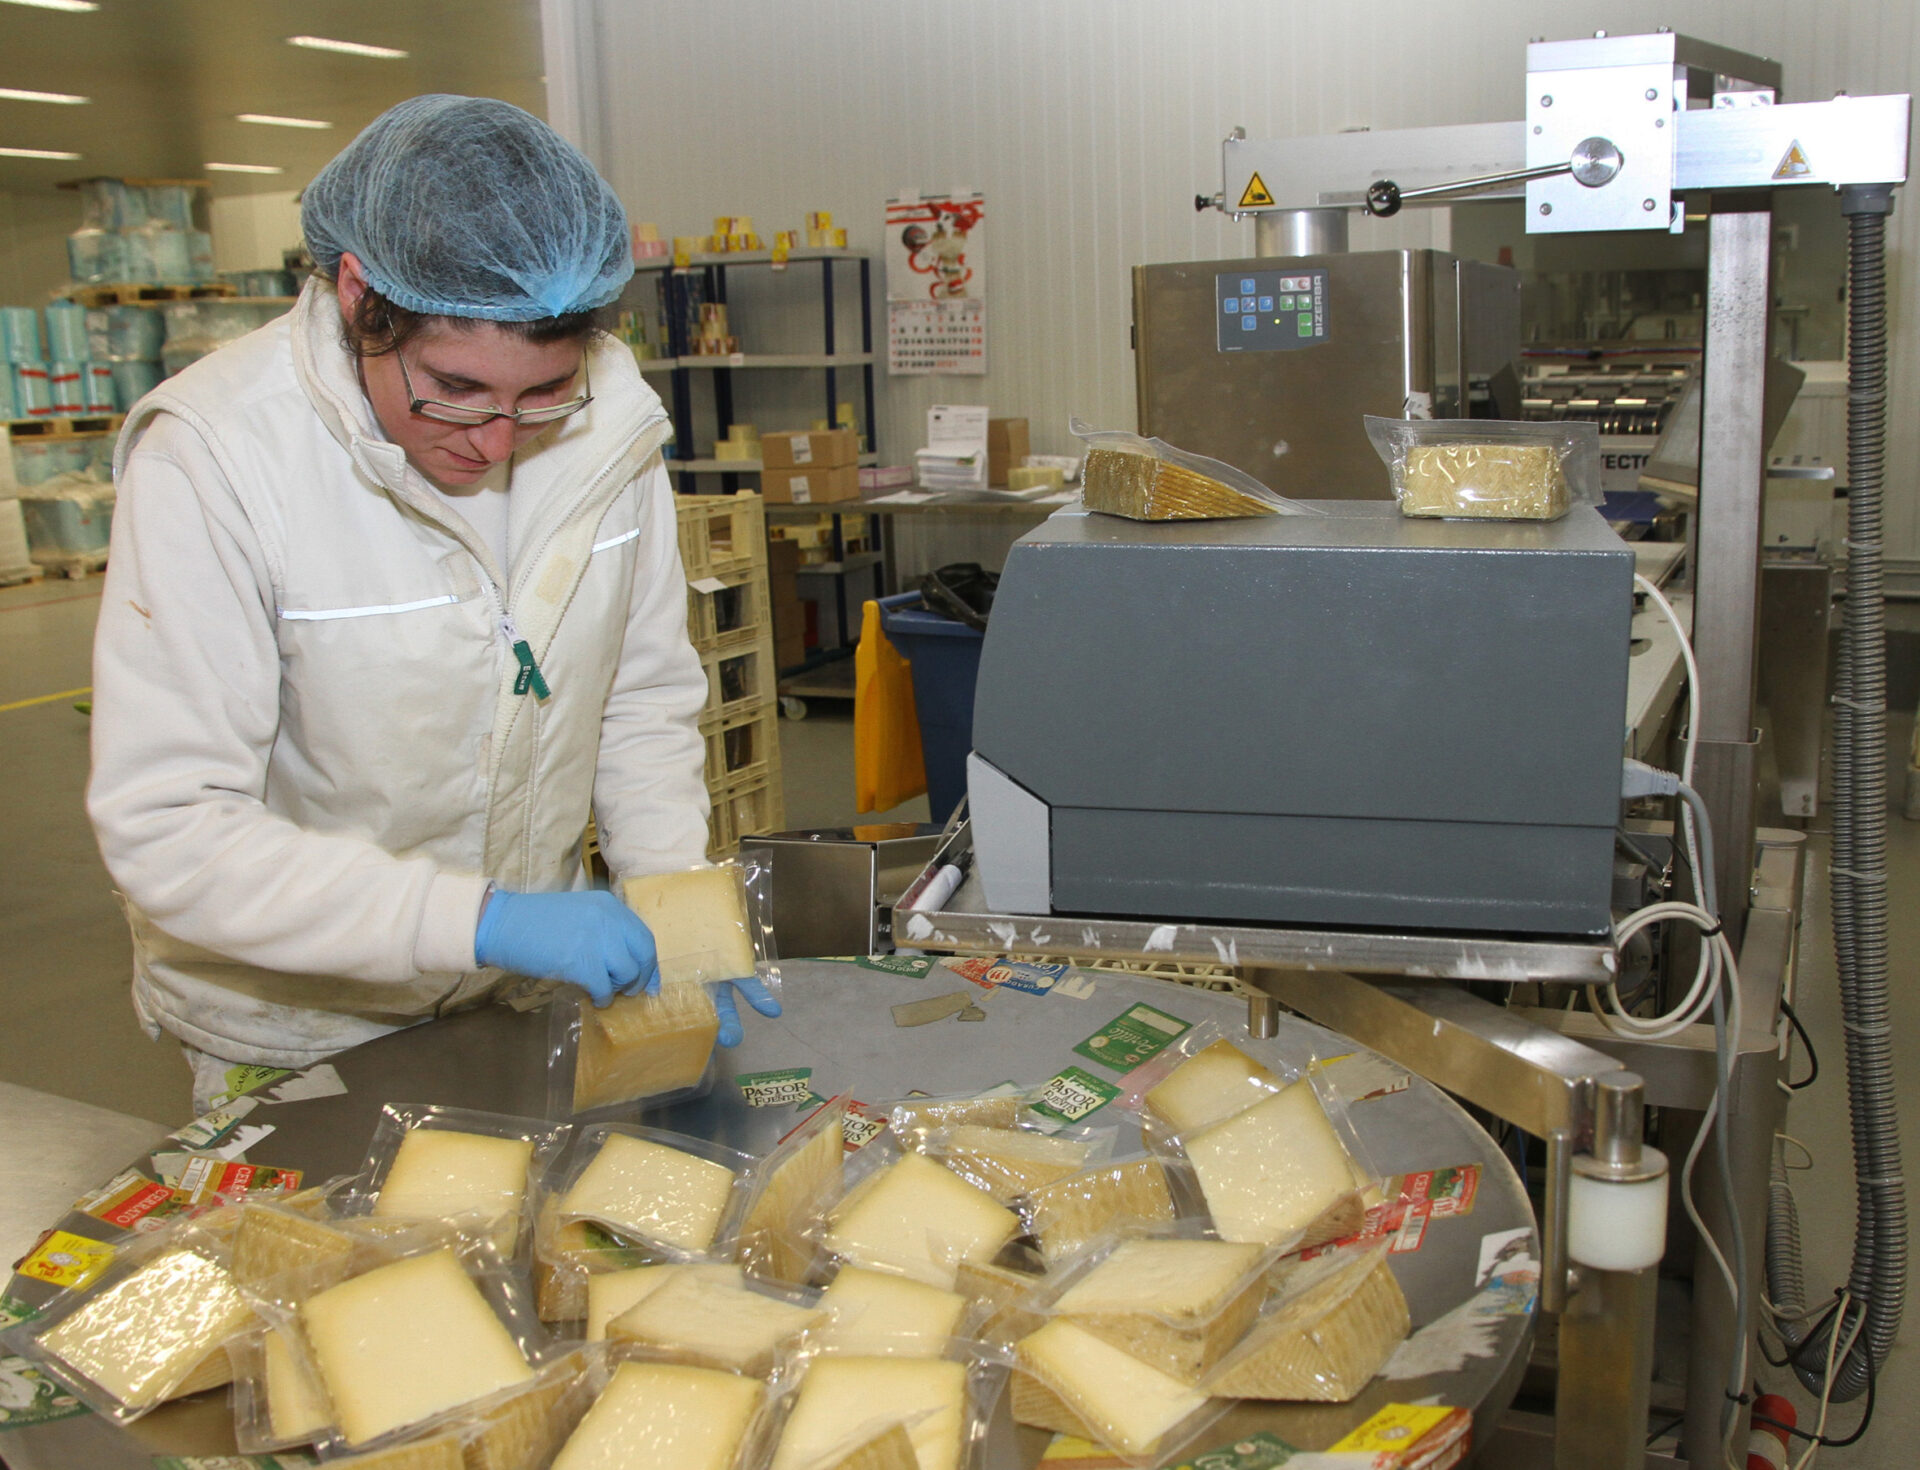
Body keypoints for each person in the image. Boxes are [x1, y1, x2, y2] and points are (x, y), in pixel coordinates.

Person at [87, 96, 778, 1110]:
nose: (495, 441)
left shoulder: (610, 427)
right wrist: (479, 920)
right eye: (453, 388)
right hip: (302, 1025)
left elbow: (638, 695)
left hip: (520, 994)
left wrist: (676, 906)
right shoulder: (217, 459)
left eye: (541, 394)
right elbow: (171, 829)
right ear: (359, 297)